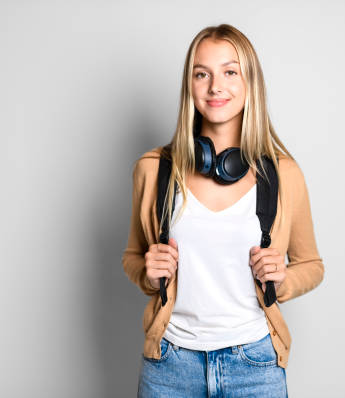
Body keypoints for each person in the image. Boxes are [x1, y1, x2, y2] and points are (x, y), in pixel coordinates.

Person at [122, 23, 325, 397]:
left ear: (250, 84)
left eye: (230, 72)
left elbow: (312, 265)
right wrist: (148, 275)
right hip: (169, 366)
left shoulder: (283, 175)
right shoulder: (153, 170)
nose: (216, 86)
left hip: (255, 366)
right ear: (190, 85)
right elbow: (133, 257)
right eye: (203, 74)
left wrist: (283, 279)